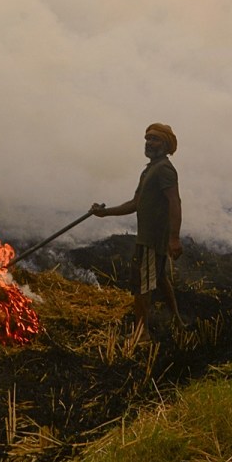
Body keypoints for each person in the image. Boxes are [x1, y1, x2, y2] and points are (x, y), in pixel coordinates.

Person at [91, 123, 185, 334]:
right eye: (147, 139)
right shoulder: (150, 170)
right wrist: (105, 213)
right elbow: (136, 203)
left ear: (166, 143)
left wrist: (174, 238)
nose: (149, 143)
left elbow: (175, 202)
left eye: (155, 139)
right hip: (148, 237)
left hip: (152, 238)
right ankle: (177, 322)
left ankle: (141, 334)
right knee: (159, 278)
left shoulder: (164, 169)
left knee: (143, 284)